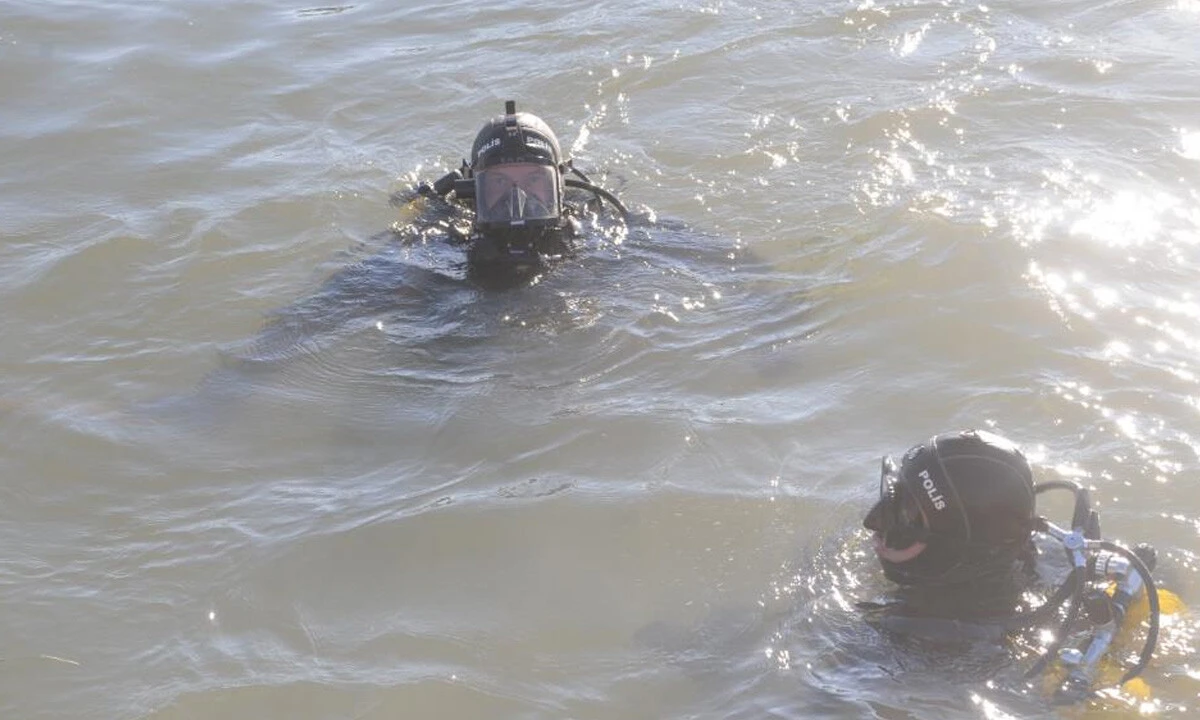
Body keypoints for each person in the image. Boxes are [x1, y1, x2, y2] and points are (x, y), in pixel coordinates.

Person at [860, 429, 1169, 703]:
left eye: (904, 514)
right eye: (896, 492)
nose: (872, 521)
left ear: (953, 549)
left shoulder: (914, 635)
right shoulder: (1049, 552)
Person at [417, 99, 630, 286]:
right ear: (475, 190)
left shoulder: (591, 227)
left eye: (534, 179)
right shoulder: (447, 235)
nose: (517, 197)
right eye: (499, 181)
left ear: (557, 186)